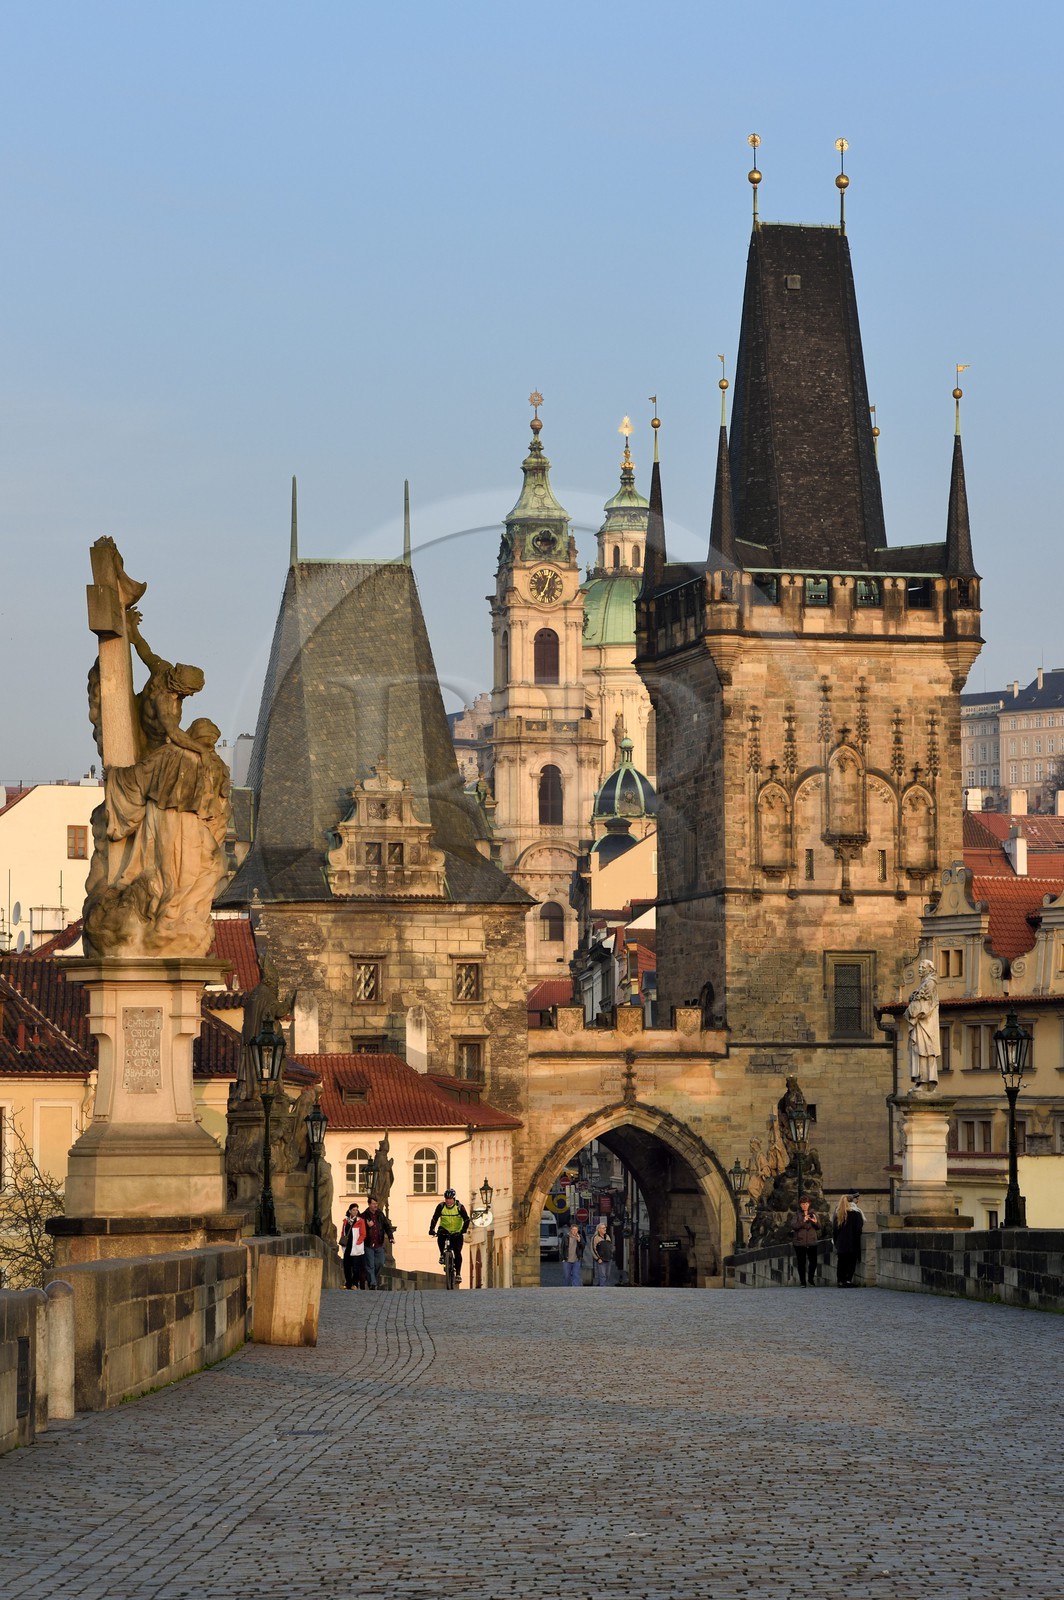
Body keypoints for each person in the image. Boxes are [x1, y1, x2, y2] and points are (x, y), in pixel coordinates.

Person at [429, 1188, 471, 1283]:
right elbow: (435, 1218)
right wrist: (431, 1229)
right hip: (444, 1229)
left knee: (457, 1252)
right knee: (440, 1237)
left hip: (457, 1231)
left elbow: (466, 1219)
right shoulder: (441, 1206)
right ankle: (442, 1255)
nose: (448, 1200)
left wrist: (464, 1229)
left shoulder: (459, 1207)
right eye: (446, 1198)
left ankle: (458, 1274)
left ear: (454, 1199)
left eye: (450, 1198)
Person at [362, 1197, 395, 1290]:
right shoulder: (364, 1215)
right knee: (370, 1265)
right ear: (369, 1204)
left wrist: (391, 1237)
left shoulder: (380, 1214)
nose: (375, 1205)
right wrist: (368, 1227)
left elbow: (387, 1226)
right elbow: (360, 1230)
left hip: (379, 1244)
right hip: (368, 1244)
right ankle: (372, 1283)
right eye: (373, 1204)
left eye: (376, 1203)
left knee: (380, 1263)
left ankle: (371, 1279)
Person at [832, 1192, 864, 1287]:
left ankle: (840, 1280)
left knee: (841, 1262)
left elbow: (835, 1230)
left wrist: (836, 1241)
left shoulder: (839, 1213)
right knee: (851, 1262)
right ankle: (847, 1280)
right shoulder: (856, 1213)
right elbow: (858, 1228)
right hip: (852, 1242)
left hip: (841, 1242)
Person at [791, 1195, 820, 1286]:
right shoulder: (796, 1215)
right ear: (800, 1205)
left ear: (809, 1204)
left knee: (813, 1262)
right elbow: (794, 1226)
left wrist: (815, 1222)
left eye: (806, 1204)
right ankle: (802, 1282)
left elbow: (819, 1227)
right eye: (803, 1204)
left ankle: (810, 1279)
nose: (804, 1206)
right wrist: (803, 1221)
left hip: (812, 1242)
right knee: (801, 1263)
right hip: (800, 1243)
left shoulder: (813, 1214)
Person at [339, 1203, 367, 1290]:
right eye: (354, 1210)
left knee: (355, 1267)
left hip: (356, 1247)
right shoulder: (346, 1221)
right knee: (347, 1266)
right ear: (350, 1211)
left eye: (356, 1210)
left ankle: (355, 1284)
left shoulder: (360, 1221)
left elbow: (363, 1234)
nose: (355, 1211)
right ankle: (348, 1283)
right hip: (348, 1246)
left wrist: (358, 1242)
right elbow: (343, 1232)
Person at [591, 1221, 614, 1286]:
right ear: (599, 1229)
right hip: (601, 1259)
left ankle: (603, 1286)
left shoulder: (607, 1236)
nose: (605, 1229)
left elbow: (610, 1246)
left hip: (609, 1259)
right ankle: (603, 1289)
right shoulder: (595, 1238)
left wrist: (611, 1253)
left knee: (607, 1275)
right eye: (603, 1228)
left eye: (605, 1228)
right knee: (602, 1275)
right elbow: (593, 1249)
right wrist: (598, 1258)